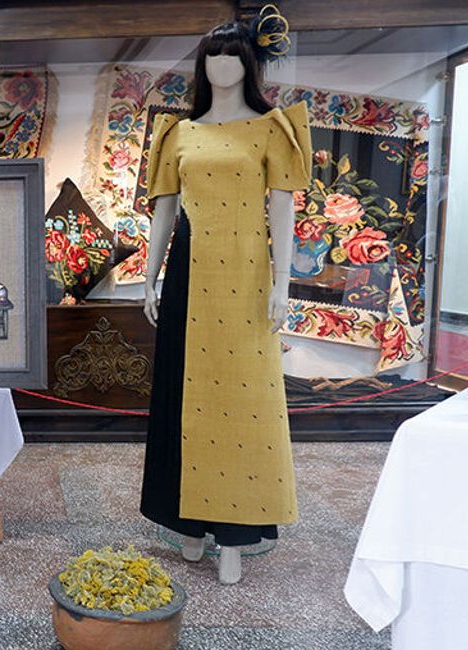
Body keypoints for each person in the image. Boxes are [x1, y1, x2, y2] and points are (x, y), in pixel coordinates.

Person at [139, 6, 310, 584]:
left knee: (242, 401)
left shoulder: (272, 129)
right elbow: (165, 210)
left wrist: (282, 284)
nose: (220, 66)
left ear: (250, 63)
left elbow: (282, 210)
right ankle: (188, 524)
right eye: (211, 56)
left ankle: (234, 535)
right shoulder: (179, 133)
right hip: (188, 275)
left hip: (246, 276)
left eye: (232, 56)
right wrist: (149, 277)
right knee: (182, 397)